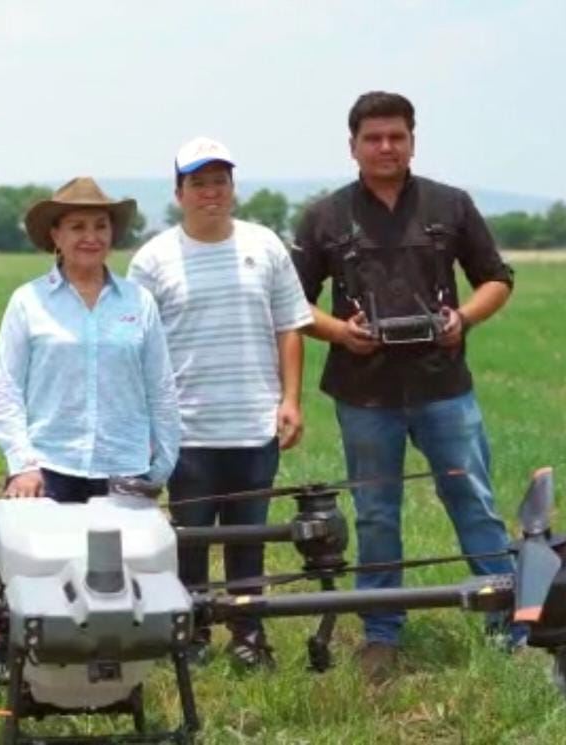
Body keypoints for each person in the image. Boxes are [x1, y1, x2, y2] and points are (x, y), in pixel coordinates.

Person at [290, 91, 521, 682]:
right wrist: (343, 332)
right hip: (364, 393)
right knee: (375, 515)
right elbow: (290, 304)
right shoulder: (324, 217)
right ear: (353, 146)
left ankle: (513, 626)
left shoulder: (451, 205)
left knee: (474, 503)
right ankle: (381, 635)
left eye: (396, 136)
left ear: (413, 140)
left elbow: (496, 278)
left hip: (445, 387)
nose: (385, 147)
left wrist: (461, 319)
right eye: (373, 138)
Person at [128, 137, 312, 670]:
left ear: (233, 188)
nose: (211, 192)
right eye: (198, 183)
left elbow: (289, 327)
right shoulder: (153, 260)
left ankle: (250, 638)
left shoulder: (265, 246)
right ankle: (192, 636)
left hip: (256, 426)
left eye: (220, 181)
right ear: (179, 192)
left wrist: (291, 400)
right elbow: (137, 350)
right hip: (186, 432)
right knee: (188, 541)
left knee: (249, 538)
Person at [0, 176, 180, 504]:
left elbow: (160, 389)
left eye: (100, 227)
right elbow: (6, 390)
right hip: (48, 469)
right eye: (77, 227)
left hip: (125, 471)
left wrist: (161, 465)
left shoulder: (139, 302)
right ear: (56, 235)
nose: (91, 237)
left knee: (125, 557)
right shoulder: (28, 302)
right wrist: (23, 465)